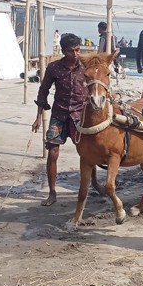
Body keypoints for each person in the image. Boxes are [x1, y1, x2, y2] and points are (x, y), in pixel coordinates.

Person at [32, 33, 90, 207]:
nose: (76, 54)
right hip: (59, 114)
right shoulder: (54, 68)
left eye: (78, 50)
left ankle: (93, 184)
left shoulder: (86, 66)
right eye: (72, 51)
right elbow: (43, 91)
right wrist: (38, 117)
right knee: (53, 153)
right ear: (64, 51)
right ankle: (52, 192)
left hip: (80, 115)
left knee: (87, 153)